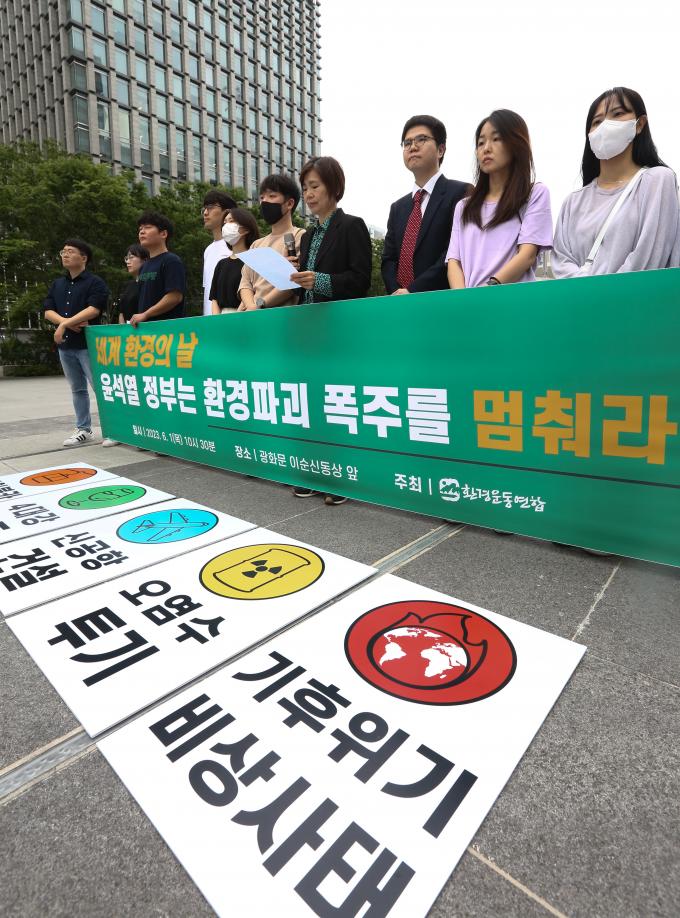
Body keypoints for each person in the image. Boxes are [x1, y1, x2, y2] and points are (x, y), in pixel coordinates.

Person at [289, 155, 372, 506]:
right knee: (310, 402)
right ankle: (313, 470)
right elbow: (304, 284)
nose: (309, 194)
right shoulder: (308, 236)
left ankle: (340, 477)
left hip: (337, 329)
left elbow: (361, 279)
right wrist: (293, 275)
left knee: (338, 403)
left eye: (315, 186)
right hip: (309, 328)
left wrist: (319, 280)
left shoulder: (352, 226)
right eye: (305, 188)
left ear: (334, 187)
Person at [552, 86, 680, 277]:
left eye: (617, 114)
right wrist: (586, 291)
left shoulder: (658, 180)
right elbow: (561, 262)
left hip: (635, 296)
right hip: (581, 297)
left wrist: (605, 291)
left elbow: (649, 257)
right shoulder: (572, 202)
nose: (605, 125)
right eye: (597, 121)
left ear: (639, 124)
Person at [446, 109, 553, 289]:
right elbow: (454, 262)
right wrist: (462, 298)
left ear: (516, 144)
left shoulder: (534, 194)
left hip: (513, 300)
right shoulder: (463, 207)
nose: (486, 148)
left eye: (496, 139)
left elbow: (527, 255)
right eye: (481, 143)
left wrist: (490, 288)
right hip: (470, 302)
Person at [382, 115, 468, 295]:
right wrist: (397, 292)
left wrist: (413, 291)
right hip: (399, 302)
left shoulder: (461, 193)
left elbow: (454, 252)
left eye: (421, 139)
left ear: (440, 150)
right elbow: (388, 260)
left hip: (442, 300)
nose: (413, 147)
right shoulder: (397, 208)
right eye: (407, 143)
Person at [43, 239, 110, 447]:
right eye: (63, 251)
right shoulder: (57, 284)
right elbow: (47, 311)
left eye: (70, 251)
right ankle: (84, 429)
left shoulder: (95, 282)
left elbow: (94, 309)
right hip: (66, 346)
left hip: (88, 345)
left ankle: (113, 429)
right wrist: (66, 323)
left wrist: (64, 324)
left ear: (84, 257)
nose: (65, 254)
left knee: (100, 388)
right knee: (77, 389)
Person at [238, 174, 306, 311]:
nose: (265, 201)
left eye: (272, 196)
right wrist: (251, 307)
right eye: (262, 197)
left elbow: (295, 282)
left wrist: (260, 305)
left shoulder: (300, 236)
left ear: (289, 203)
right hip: (252, 315)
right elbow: (245, 284)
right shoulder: (256, 245)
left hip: (283, 316)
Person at [130, 212, 186, 327]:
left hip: (167, 331)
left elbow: (175, 296)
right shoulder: (144, 266)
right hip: (146, 331)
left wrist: (146, 314)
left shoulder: (171, 261)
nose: (142, 232)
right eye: (140, 229)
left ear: (163, 234)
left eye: (147, 227)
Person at [210, 208, 260, 313]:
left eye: (231, 221)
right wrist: (216, 319)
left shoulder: (254, 261)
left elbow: (256, 292)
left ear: (246, 229)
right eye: (225, 222)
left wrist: (237, 316)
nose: (226, 226)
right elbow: (215, 299)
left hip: (245, 315)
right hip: (222, 318)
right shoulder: (221, 264)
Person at [201, 189, 236, 316]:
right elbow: (208, 292)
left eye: (210, 207)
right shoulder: (208, 250)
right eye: (204, 209)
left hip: (229, 319)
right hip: (209, 321)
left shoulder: (236, 246)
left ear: (227, 211)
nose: (205, 213)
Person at [115, 244, 149, 323]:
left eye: (131, 257)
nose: (127, 262)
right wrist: (123, 329)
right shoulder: (127, 285)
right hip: (128, 329)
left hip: (148, 328)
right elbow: (121, 312)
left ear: (145, 260)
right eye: (126, 258)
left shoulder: (150, 283)